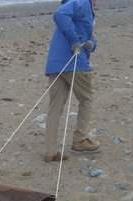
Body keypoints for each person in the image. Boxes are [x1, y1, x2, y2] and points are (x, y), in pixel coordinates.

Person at [43, 0, 100, 162]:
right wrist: (74, 39)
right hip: (74, 62)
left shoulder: (82, 6)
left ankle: (50, 151)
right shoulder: (81, 1)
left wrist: (92, 43)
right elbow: (59, 15)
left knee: (55, 107)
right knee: (86, 98)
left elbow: (86, 35)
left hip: (56, 63)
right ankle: (80, 139)